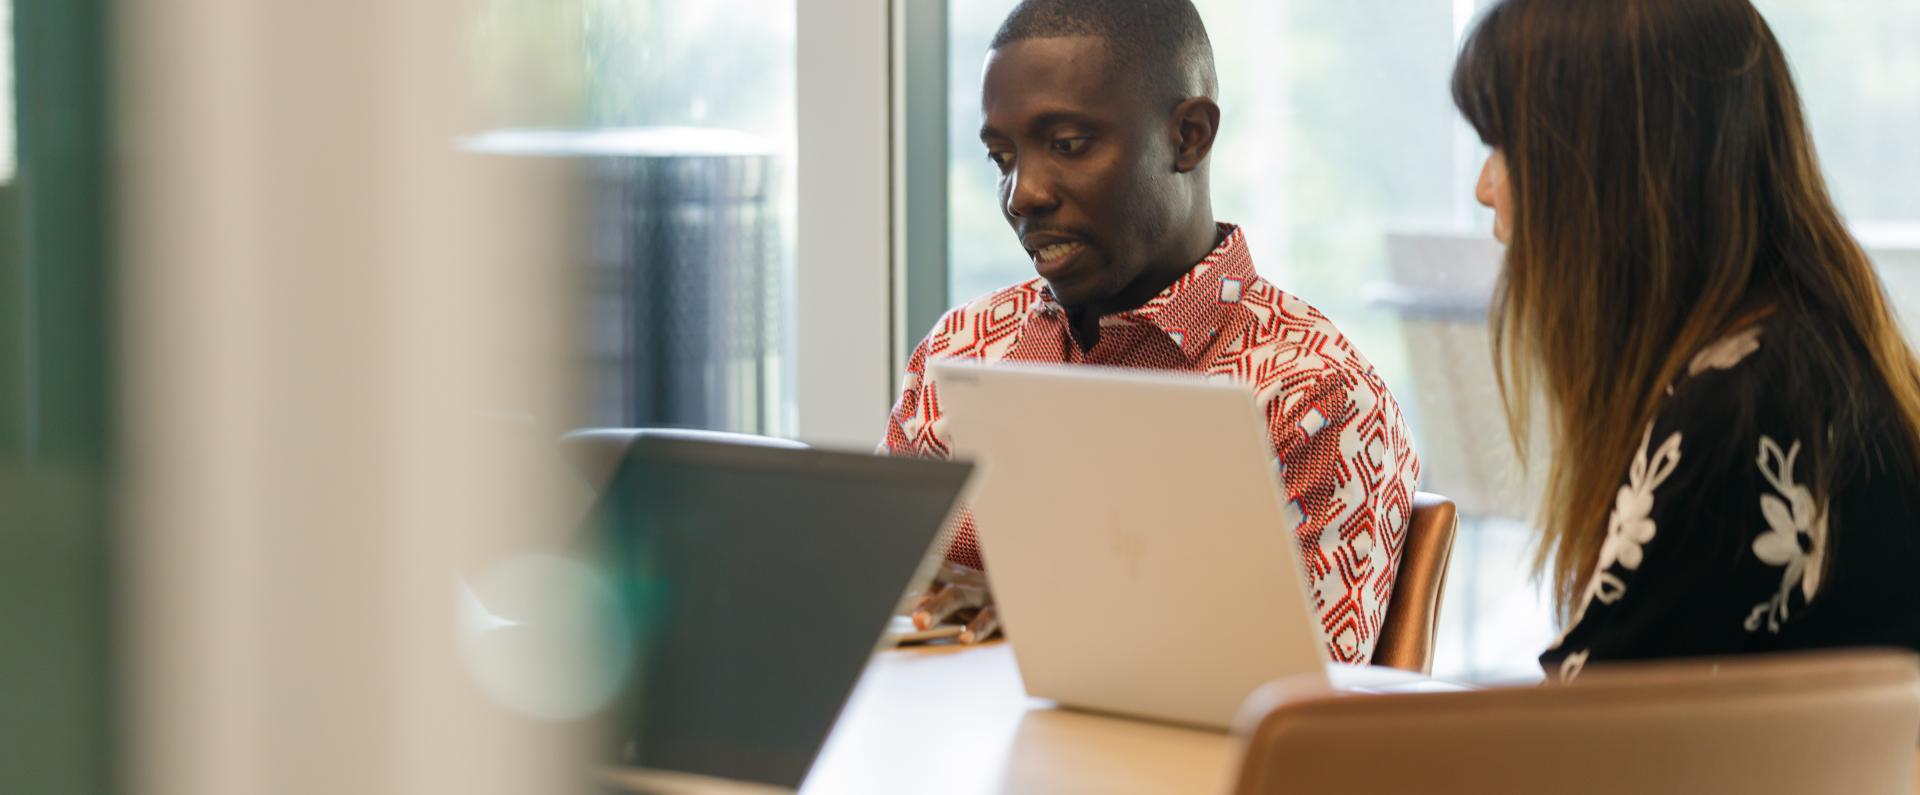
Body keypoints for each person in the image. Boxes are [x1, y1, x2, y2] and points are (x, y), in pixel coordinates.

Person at [884, 0, 1421, 663]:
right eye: (1002, 156)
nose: (1021, 194)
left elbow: (1299, 715)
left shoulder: (1311, 395)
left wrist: (1031, 622)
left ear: (1189, 136)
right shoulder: (959, 350)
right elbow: (876, 615)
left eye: (1067, 145)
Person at [1451, 0, 1920, 681]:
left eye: (1506, 148)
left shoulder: (1736, 418)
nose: (1484, 187)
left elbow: (1575, 747)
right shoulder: (1812, 364)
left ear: (1603, 174)